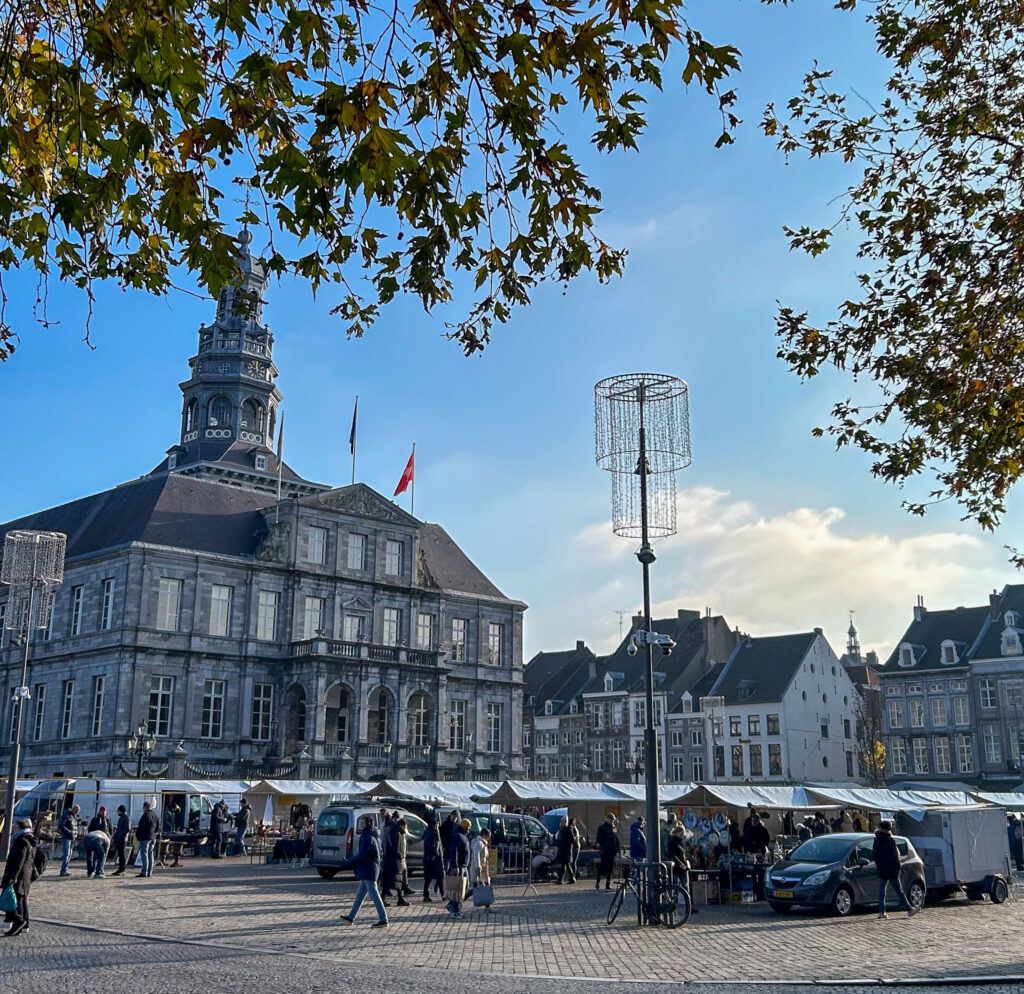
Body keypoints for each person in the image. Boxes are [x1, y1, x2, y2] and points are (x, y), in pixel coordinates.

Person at [338, 815, 388, 927]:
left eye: (363, 822)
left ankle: (383, 919)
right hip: (368, 869)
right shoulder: (371, 835)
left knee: (374, 895)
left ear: (368, 824)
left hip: (369, 870)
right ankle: (351, 917)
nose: (361, 824)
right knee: (360, 896)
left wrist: (348, 862)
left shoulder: (368, 837)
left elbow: (362, 856)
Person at [872, 819, 917, 919]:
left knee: (882, 890)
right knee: (898, 889)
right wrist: (898, 868)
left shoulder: (876, 840)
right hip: (892, 868)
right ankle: (909, 909)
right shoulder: (890, 840)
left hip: (882, 868)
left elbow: (875, 855)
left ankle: (881, 911)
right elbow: (895, 856)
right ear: (889, 828)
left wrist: (879, 865)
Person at [1, 818, 36, 936]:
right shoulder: (29, 839)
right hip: (25, 875)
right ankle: (23, 925)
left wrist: (12, 877)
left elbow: (18, 862)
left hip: (18, 876)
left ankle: (19, 922)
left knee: (12, 900)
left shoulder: (21, 841)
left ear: (19, 828)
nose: (13, 829)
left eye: (15, 827)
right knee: (21, 900)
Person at [445, 817, 471, 919]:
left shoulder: (464, 836)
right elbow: (454, 852)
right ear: (464, 827)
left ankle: (452, 905)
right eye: (468, 828)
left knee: (465, 888)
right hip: (460, 866)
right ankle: (456, 910)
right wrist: (454, 866)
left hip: (464, 866)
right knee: (459, 890)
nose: (469, 830)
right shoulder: (458, 836)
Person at [422, 814, 445, 902]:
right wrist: (435, 852)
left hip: (437, 858)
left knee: (440, 877)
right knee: (429, 878)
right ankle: (425, 895)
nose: (438, 826)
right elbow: (428, 847)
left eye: (438, 824)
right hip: (431, 859)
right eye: (437, 824)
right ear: (433, 825)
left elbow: (439, 844)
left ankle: (443, 894)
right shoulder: (429, 834)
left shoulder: (436, 832)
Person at [135, 801, 160, 878]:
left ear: (146, 807)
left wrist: (138, 836)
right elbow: (158, 827)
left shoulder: (145, 815)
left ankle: (144, 871)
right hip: (153, 837)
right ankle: (150, 871)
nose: (143, 809)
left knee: (144, 855)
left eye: (143, 807)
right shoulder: (155, 815)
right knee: (150, 855)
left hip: (145, 837)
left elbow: (140, 827)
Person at [595, 814, 618, 891]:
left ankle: (608, 884)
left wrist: (617, 848)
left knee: (610, 868)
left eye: (613, 820)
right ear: (607, 819)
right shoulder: (602, 827)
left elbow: (616, 838)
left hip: (612, 851)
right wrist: (604, 845)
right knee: (602, 867)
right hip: (605, 851)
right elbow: (599, 839)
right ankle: (598, 882)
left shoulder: (613, 827)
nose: (612, 821)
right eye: (611, 819)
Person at [380, 811, 400, 901]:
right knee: (393, 877)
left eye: (397, 818)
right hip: (391, 856)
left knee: (395, 878)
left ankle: (400, 898)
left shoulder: (391, 827)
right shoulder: (392, 829)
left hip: (389, 856)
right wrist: (396, 853)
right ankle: (384, 897)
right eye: (395, 818)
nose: (396, 820)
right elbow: (391, 844)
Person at [58, 804, 80, 876]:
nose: (77, 812)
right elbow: (61, 825)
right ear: (73, 809)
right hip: (66, 837)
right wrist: (69, 832)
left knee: (69, 854)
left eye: (78, 811)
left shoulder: (73, 817)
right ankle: (63, 870)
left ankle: (65, 869)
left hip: (72, 837)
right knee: (67, 854)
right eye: (76, 810)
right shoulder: (67, 815)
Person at [393, 818, 411, 907]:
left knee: (400, 879)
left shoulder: (401, 833)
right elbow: (397, 848)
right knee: (397, 880)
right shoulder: (397, 833)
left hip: (402, 858)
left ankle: (401, 898)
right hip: (398, 859)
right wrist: (400, 856)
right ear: (403, 825)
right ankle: (399, 898)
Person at [469, 827, 491, 894]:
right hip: (479, 867)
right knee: (477, 886)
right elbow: (476, 855)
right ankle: (485, 900)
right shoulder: (479, 843)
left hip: (483, 867)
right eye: (488, 836)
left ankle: (486, 901)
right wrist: (478, 867)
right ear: (484, 835)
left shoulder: (483, 843)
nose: (489, 838)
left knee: (481, 885)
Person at [112, 804, 131, 876]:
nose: (117, 812)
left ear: (121, 811)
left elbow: (127, 829)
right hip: (119, 838)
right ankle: (120, 868)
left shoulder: (126, 818)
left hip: (122, 839)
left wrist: (120, 835)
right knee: (120, 854)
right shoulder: (122, 818)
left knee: (122, 854)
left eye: (118, 811)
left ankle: (122, 869)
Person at [556, 815, 576, 884]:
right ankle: (571, 878)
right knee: (566, 865)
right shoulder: (563, 829)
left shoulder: (567, 829)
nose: (560, 823)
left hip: (566, 850)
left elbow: (572, 839)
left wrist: (564, 843)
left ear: (564, 822)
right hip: (563, 849)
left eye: (561, 821)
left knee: (564, 865)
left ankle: (561, 879)